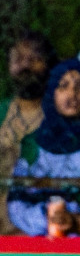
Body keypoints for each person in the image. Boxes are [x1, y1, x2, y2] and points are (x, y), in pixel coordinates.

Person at [8, 60, 80, 238]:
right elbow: (16, 204)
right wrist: (47, 218)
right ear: (51, 93)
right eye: (63, 86)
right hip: (43, 237)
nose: (72, 94)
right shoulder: (33, 144)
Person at [0, 31, 56, 235]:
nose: (25, 66)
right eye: (18, 59)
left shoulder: (59, 119)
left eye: (34, 59)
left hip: (35, 228)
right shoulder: (2, 112)